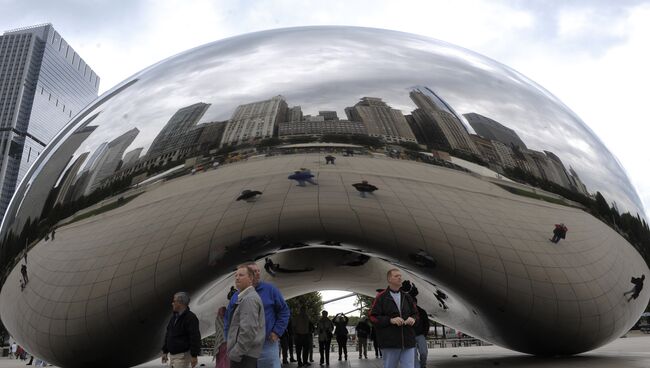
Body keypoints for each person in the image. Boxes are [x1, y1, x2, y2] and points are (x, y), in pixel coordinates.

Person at [225, 262, 291, 368]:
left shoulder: (271, 290)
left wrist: (277, 331)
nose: (258, 274)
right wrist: (228, 340)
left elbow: (284, 311)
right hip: (244, 346)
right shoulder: (237, 296)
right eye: (254, 271)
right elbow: (229, 319)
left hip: (267, 344)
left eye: (258, 271)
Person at [369, 268, 418, 368]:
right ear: (389, 279)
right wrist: (390, 320)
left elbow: (416, 314)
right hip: (389, 342)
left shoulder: (407, 297)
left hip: (408, 341)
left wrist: (413, 319)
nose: (400, 278)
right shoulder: (381, 297)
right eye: (396, 276)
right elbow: (372, 317)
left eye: (400, 276)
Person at [227, 264, 266, 368]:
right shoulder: (246, 298)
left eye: (241, 275)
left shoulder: (249, 299)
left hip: (244, 356)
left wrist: (236, 353)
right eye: (236, 275)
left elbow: (248, 330)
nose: (237, 278)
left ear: (250, 279)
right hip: (245, 355)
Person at [161, 292, 201, 368]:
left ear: (180, 303)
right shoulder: (174, 317)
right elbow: (168, 334)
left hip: (182, 356)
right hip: (172, 356)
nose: (172, 303)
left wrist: (194, 355)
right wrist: (165, 351)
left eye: (174, 301)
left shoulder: (191, 318)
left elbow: (195, 337)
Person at [412, 299, 430, 368]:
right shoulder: (407, 312)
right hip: (411, 336)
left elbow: (426, 324)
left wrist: (424, 333)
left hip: (420, 335)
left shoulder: (422, 312)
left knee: (424, 352)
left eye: (413, 303)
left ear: (416, 303)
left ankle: (423, 365)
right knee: (413, 355)